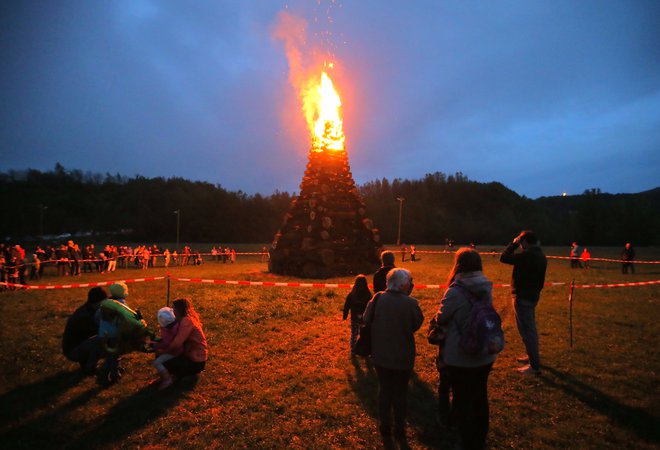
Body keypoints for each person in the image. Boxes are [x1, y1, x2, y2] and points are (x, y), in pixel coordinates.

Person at [434, 248, 497, 449]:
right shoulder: (486, 287)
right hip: (485, 353)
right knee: (480, 397)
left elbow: (441, 317)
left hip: (460, 355)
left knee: (462, 400)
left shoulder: (455, 291)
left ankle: (466, 441)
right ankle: (479, 438)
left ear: (458, 265)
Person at [363, 268, 424, 438]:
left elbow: (366, 319)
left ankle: (384, 424)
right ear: (404, 284)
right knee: (400, 391)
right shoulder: (411, 303)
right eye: (410, 281)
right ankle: (399, 426)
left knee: (384, 389)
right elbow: (416, 324)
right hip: (403, 355)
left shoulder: (378, 298)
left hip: (380, 353)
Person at [500, 230, 547, 375]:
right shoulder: (541, 256)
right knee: (528, 329)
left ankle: (534, 366)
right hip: (532, 296)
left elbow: (504, 257)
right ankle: (532, 356)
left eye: (521, 242)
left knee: (527, 330)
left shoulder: (527, 256)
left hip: (522, 297)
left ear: (525, 242)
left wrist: (513, 244)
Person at [158, 298, 208, 390]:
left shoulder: (186, 321)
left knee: (160, 357)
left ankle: (177, 377)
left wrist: (164, 351)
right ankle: (174, 375)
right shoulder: (185, 320)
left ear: (178, 310)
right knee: (164, 355)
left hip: (195, 362)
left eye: (173, 309)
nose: (172, 312)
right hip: (193, 357)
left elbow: (177, 343)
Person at [62, 287, 108, 375]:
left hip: (78, 346)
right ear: (96, 302)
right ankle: (90, 368)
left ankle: (87, 363)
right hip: (73, 351)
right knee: (100, 339)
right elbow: (97, 332)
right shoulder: (86, 316)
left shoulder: (89, 310)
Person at [150, 307, 181, 385]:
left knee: (157, 362)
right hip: (179, 350)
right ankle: (165, 375)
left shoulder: (167, 332)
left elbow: (166, 343)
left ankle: (167, 379)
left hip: (174, 352)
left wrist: (155, 346)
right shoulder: (178, 325)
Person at [342, 275, 372, 355]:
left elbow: (347, 305)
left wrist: (345, 315)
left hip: (354, 317)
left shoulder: (352, 294)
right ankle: (364, 350)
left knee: (354, 334)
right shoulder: (368, 294)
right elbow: (371, 306)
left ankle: (353, 351)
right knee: (364, 335)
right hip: (364, 318)